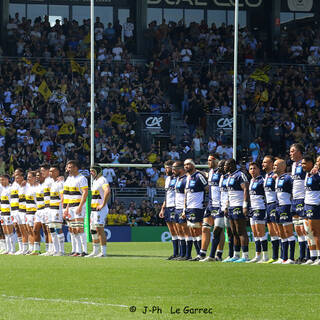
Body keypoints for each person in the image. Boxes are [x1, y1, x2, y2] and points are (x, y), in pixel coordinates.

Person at [223, 158, 250, 263]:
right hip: (231, 206)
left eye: (226, 165)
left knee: (241, 231)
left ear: (231, 165)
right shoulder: (229, 176)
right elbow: (229, 193)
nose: (224, 167)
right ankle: (236, 254)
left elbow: (245, 189)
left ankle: (245, 255)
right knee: (234, 232)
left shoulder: (240, 174)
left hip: (238, 205)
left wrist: (245, 205)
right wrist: (226, 206)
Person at [199, 157, 225, 262]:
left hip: (219, 205)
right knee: (205, 228)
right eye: (208, 160)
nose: (208, 162)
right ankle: (202, 254)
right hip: (210, 205)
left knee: (218, 231)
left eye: (211, 160)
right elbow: (206, 175)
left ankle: (218, 254)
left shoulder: (222, 173)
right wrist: (197, 171)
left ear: (217, 161)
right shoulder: (210, 172)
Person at [182, 158, 208, 260]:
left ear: (193, 165)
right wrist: (184, 208)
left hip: (197, 207)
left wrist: (205, 201)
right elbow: (186, 194)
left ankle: (201, 254)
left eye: (188, 164)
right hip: (189, 208)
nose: (186, 166)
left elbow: (207, 188)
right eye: (185, 165)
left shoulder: (198, 176)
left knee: (197, 230)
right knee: (192, 231)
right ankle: (198, 254)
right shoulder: (187, 178)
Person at [63, 160, 88, 257]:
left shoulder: (81, 178)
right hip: (70, 207)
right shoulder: (69, 178)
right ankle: (76, 250)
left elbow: (85, 193)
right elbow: (68, 195)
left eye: (70, 167)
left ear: (75, 168)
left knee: (79, 228)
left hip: (78, 206)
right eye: (68, 167)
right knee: (72, 229)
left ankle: (84, 251)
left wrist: (81, 206)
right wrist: (67, 208)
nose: (68, 169)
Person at [273, 159, 296, 264]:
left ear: (283, 166)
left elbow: (293, 191)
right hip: (277, 207)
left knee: (288, 232)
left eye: (276, 165)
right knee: (280, 233)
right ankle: (283, 257)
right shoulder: (277, 178)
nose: (274, 167)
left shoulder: (288, 178)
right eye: (273, 165)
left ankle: (291, 258)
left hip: (286, 206)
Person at [87, 164, 110, 258]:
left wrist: (103, 204)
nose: (91, 173)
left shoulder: (103, 180)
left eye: (92, 171)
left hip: (100, 210)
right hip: (93, 209)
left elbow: (107, 191)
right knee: (93, 230)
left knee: (99, 229)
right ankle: (95, 251)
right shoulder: (95, 181)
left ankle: (103, 252)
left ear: (97, 171)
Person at [290, 143, 308, 264]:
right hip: (294, 199)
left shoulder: (304, 164)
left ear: (299, 152)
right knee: (298, 229)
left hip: (303, 198)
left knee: (304, 228)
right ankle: (301, 256)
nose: (290, 153)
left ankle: (308, 255)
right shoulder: (293, 165)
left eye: (293, 151)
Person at [247, 162, 269, 263]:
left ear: (259, 170)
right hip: (252, 208)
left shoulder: (262, 181)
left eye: (254, 168)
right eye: (250, 168)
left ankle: (265, 256)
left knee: (261, 232)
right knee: (255, 233)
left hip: (260, 208)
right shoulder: (251, 180)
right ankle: (257, 255)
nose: (252, 170)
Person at [262, 155, 281, 263]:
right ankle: (274, 256)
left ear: (270, 164)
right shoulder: (266, 176)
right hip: (268, 205)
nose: (263, 164)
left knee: (278, 230)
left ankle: (282, 256)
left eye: (265, 162)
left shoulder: (275, 176)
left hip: (274, 204)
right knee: (271, 231)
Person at [302, 155, 320, 265]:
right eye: (317, 160)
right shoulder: (309, 174)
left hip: (315, 205)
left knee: (316, 232)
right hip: (307, 205)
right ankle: (313, 257)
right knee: (308, 232)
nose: (317, 162)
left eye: (319, 161)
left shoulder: (317, 174)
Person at [159, 160, 179, 260]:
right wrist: (162, 208)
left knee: (178, 230)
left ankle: (181, 253)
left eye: (167, 168)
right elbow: (167, 195)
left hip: (176, 206)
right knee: (172, 231)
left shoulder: (179, 178)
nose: (165, 170)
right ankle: (175, 253)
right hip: (168, 206)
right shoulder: (167, 179)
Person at [172, 160, 191, 260]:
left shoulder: (185, 179)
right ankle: (181, 254)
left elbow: (186, 195)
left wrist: (184, 209)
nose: (172, 171)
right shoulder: (178, 179)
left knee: (185, 231)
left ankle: (188, 255)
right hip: (177, 208)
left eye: (174, 169)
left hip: (182, 208)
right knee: (179, 231)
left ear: (180, 169)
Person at [48, 165, 65, 256]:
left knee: (58, 228)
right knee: (51, 229)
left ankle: (61, 251)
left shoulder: (60, 183)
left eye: (53, 171)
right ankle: (55, 250)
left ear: (57, 172)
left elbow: (63, 197)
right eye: (50, 171)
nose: (51, 173)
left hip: (57, 209)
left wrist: (62, 209)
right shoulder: (53, 183)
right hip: (51, 209)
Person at [40, 164, 53, 255]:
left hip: (51, 207)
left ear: (48, 171)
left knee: (51, 229)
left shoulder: (51, 180)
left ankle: (53, 249)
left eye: (43, 171)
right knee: (48, 229)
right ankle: (50, 249)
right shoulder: (45, 181)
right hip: (46, 207)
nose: (42, 173)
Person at [0, 174, 15, 254]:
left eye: (3, 180)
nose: (1, 182)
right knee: (5, 231)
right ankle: (8, 249)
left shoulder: (10, 189)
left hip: (9, 213)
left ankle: (12, 249)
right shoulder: (3, 190)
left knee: (10, 231)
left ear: (7, 180)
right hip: (3, 213)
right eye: (0, 180)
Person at [24, 171, 38, 254]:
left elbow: (38, 201)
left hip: (34, 211)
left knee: (33, 230)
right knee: (28, 230)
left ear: (34, 178)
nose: (28, 178)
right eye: (27, 177)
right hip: (28, 211)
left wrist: (37, 212)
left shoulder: (37, 188)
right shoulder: (27, 187)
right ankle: (30, 248)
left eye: (29, 177)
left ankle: (35, 248)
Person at [33, 170, 45, 255]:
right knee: (35, 230)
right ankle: (37, 249)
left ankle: (49, 249)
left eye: (39, 175)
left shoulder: (47, 184)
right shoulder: (36, 187)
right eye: (36, 176)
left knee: (46, 230)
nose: (37, 177)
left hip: (45, 210)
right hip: (38, 211)